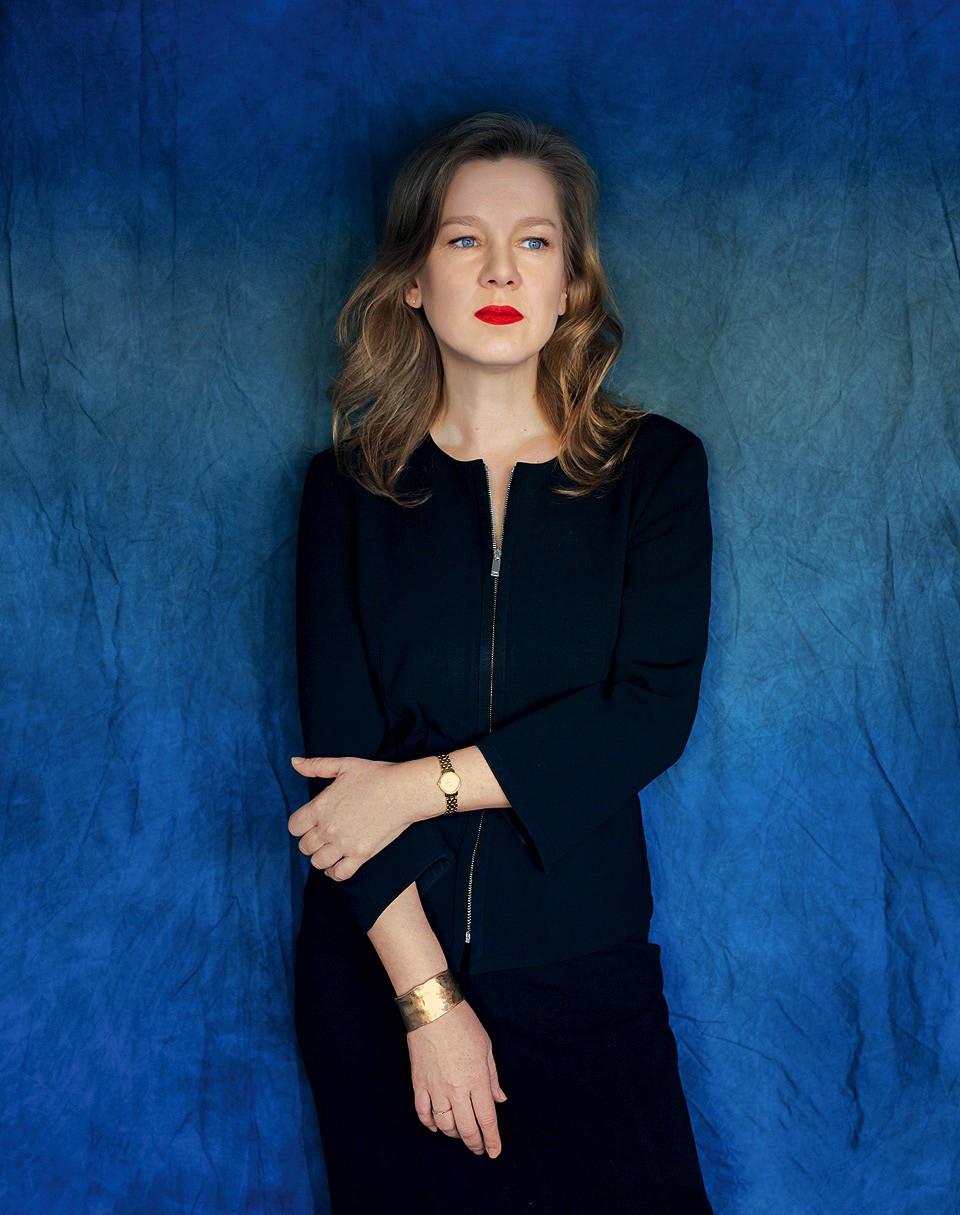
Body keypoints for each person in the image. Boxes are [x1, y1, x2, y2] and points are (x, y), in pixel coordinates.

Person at [288, 110, 715, 1214]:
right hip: (385, 976)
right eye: (462, 239)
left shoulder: (656, 473)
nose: (499, 269)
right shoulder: (344, 493)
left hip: (584, 966)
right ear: (412, 279)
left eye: (533, 241)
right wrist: (430, 1005)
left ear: (571, 285)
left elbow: (647, 714)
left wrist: (416, 787)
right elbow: (341, 788)